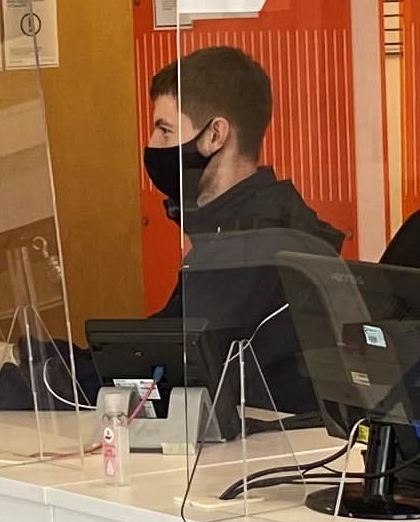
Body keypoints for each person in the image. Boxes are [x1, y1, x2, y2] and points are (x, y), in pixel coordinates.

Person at [143, 46, 342, 409]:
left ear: (215, 136)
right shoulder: (238, 229)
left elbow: (164, 363)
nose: (153, 145)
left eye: (165, 130)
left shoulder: (252, 244)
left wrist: (27, 378)